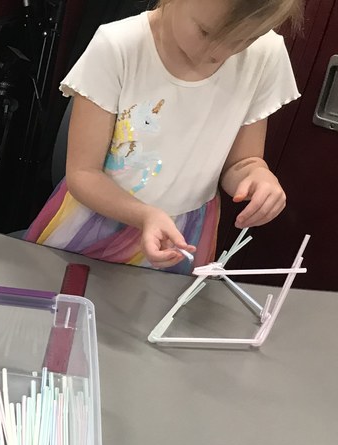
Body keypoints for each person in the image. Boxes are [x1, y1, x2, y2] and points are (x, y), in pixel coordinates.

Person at [25, 0, 302, 272]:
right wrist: (145, 215)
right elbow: (83, 173)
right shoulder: (119, 46)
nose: (220, 52)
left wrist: (256, 177)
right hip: (96, 222)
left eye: (246, 38)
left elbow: (244, 162)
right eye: (206, 32)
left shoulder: (264, 55)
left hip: (182, 233)